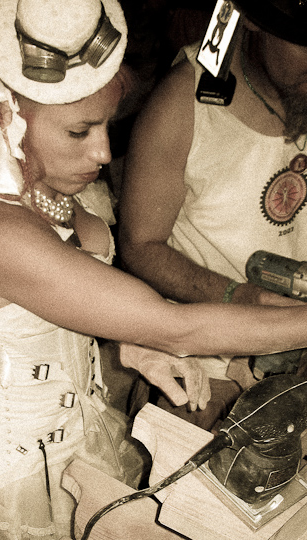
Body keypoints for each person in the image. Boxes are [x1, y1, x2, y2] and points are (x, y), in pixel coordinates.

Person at [0, 0, 307, 540]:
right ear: (12, 117)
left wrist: (130, 348)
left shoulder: (32, 186)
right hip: (20, 466)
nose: (104, 153)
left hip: (74, 430)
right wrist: (161, 336)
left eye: (105, 125)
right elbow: (181, 324)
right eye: (80, 130)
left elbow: (57, 306)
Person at [119, 0, 307, 429]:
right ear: (256, 19)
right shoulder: (183, 103)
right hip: (203, 364)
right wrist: (237, 298)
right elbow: (140, 246)